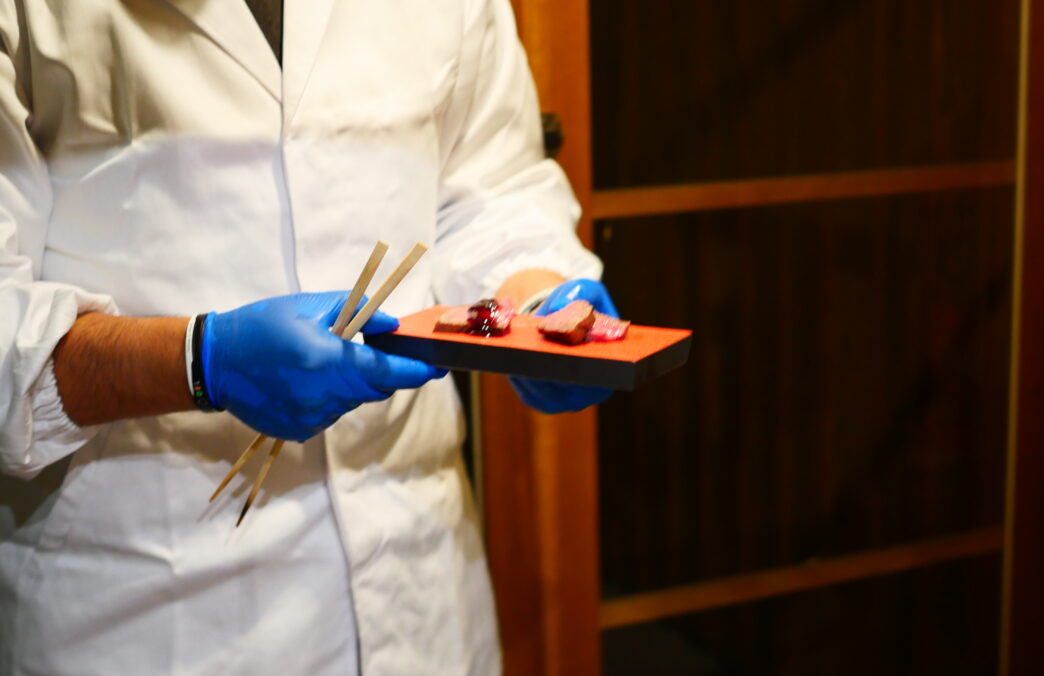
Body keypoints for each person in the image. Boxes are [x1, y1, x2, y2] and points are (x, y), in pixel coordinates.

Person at [0, 1, 615, 673]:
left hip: (420, 569)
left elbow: (491, 186)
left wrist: (537, 302)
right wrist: (200, 360)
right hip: (143, 601)